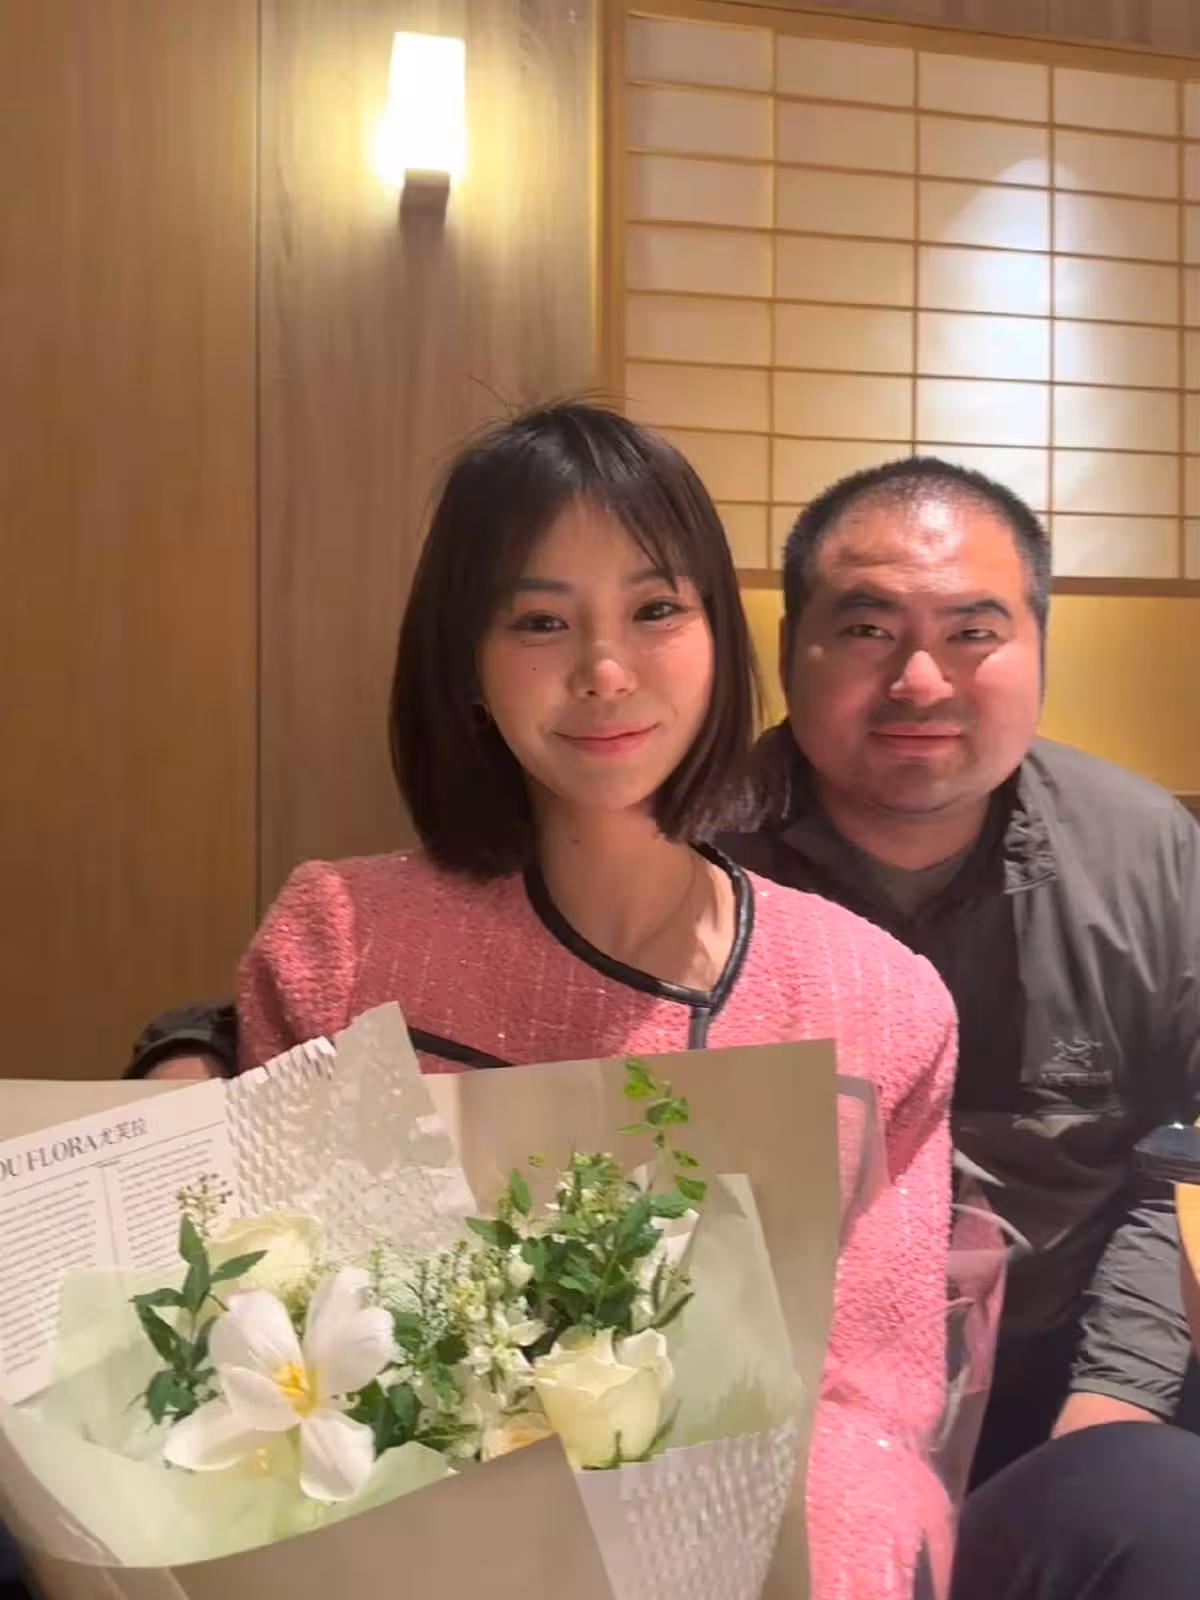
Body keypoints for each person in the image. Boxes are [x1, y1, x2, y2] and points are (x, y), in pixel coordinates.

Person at [133, 403, 958, 1599]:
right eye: (540, 621)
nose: (605, 670)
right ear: (465, 664)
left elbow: (869, 1408)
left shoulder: (879, 1000)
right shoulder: (344, 943)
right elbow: (281, 1344)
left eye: (656, 609)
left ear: (719, 639)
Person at [716, 456, 1200, 1489]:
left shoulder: (1143, 850)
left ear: (1039, 648)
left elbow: (1179, 1158)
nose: (922, 682)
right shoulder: (687, 855)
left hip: (1062, 1379)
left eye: (973, 633)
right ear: (791, 650)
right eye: (867, 629)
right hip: (753, 1413)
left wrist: (1110, 1409)